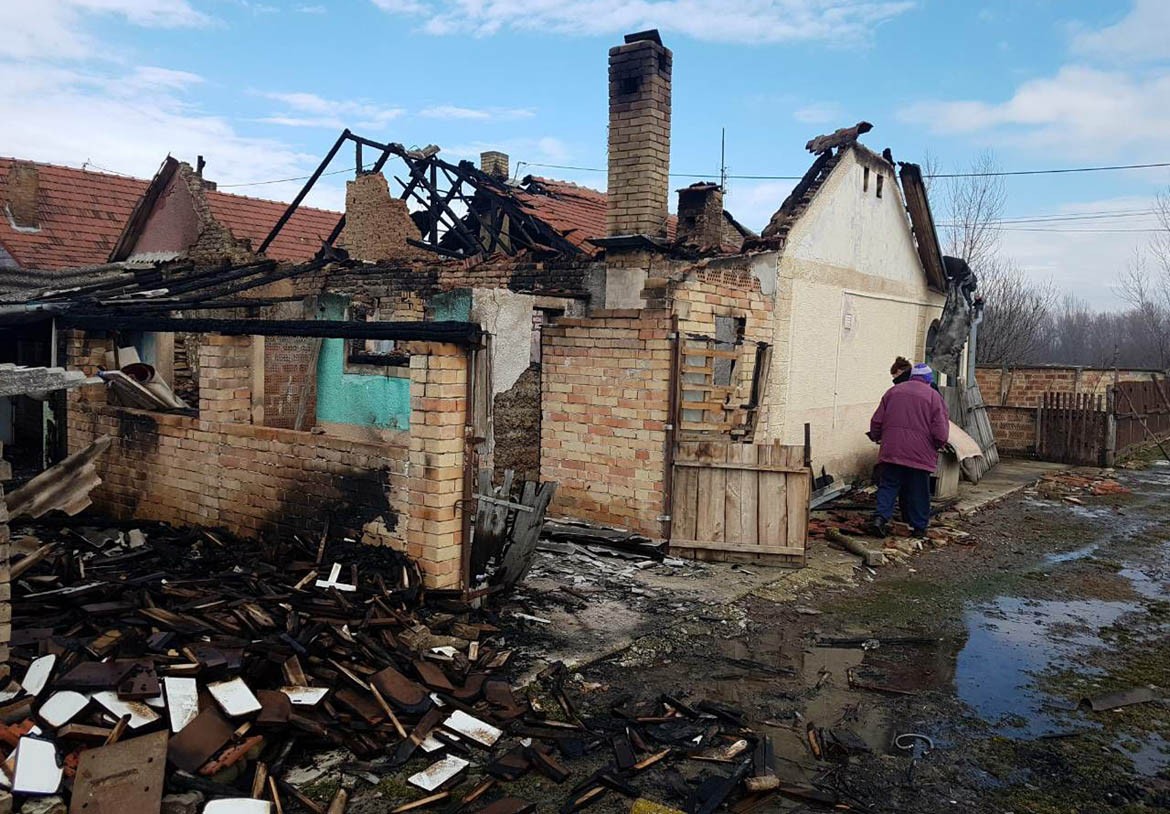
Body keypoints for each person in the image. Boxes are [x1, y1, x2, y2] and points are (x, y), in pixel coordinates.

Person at [867, 363, 949, 539]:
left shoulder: (893, 392)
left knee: (888, 485)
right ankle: (919, 527)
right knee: (919, 490)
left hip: (893, 449)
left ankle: (880, 519)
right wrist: (939, 443)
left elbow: (877, 420)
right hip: (920, 453)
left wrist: (876, 436)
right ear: (928, 379)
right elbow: (940, 429)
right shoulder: (933, 396)